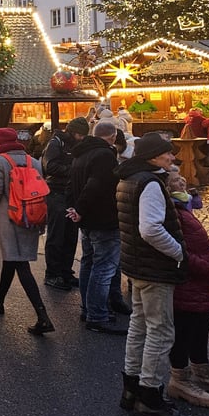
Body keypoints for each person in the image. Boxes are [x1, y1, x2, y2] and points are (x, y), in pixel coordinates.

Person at [115, 132, 192, 416]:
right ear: (152, 157)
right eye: (167, 154)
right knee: (160, 331)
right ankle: (150, 397)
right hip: (155, 267)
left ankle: (131, 387)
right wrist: (178, 253)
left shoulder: (127, 179)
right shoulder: (149, 183)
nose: (172, 157)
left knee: (139, 325)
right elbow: (150, 229)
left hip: (136, 265)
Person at [162, 173, 209, 408]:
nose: (183, 182)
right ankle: (180, 380)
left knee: (201, 324)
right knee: (184, 329)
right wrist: (203, 265)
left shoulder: (182, 205)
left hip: (199, 281)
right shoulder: (172, 210)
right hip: (189, 279)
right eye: (178, 181)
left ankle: (202, 372)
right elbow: (174, 246)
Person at [0, 128, 53, 335]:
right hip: (31, 216)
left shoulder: (0, 161)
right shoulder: (33, 161)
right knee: (12, 258)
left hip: (10, 217)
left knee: (20, 264)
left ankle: (43, 316)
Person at [66, 121, 130, 334]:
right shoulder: (103, 156)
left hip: (87, 220)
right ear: (112, 137)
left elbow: (72, 185)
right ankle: (97, 314)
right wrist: (80, 209)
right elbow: (96, 184)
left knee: (88, 263)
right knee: (103, 267)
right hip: (103, 218)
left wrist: (74, 209)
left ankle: (89, 308)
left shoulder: (80, 154)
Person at [41, 117, 89, 291]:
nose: (81, 138)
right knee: (56, 234)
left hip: (70, 193)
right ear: (71, 131)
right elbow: (50, 166)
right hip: (56, 192)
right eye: (79, 134)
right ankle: (52, 274)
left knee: (70, 234)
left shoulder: (74, 144)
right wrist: (74, 171)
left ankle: (65, 272)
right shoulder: (56, 143)